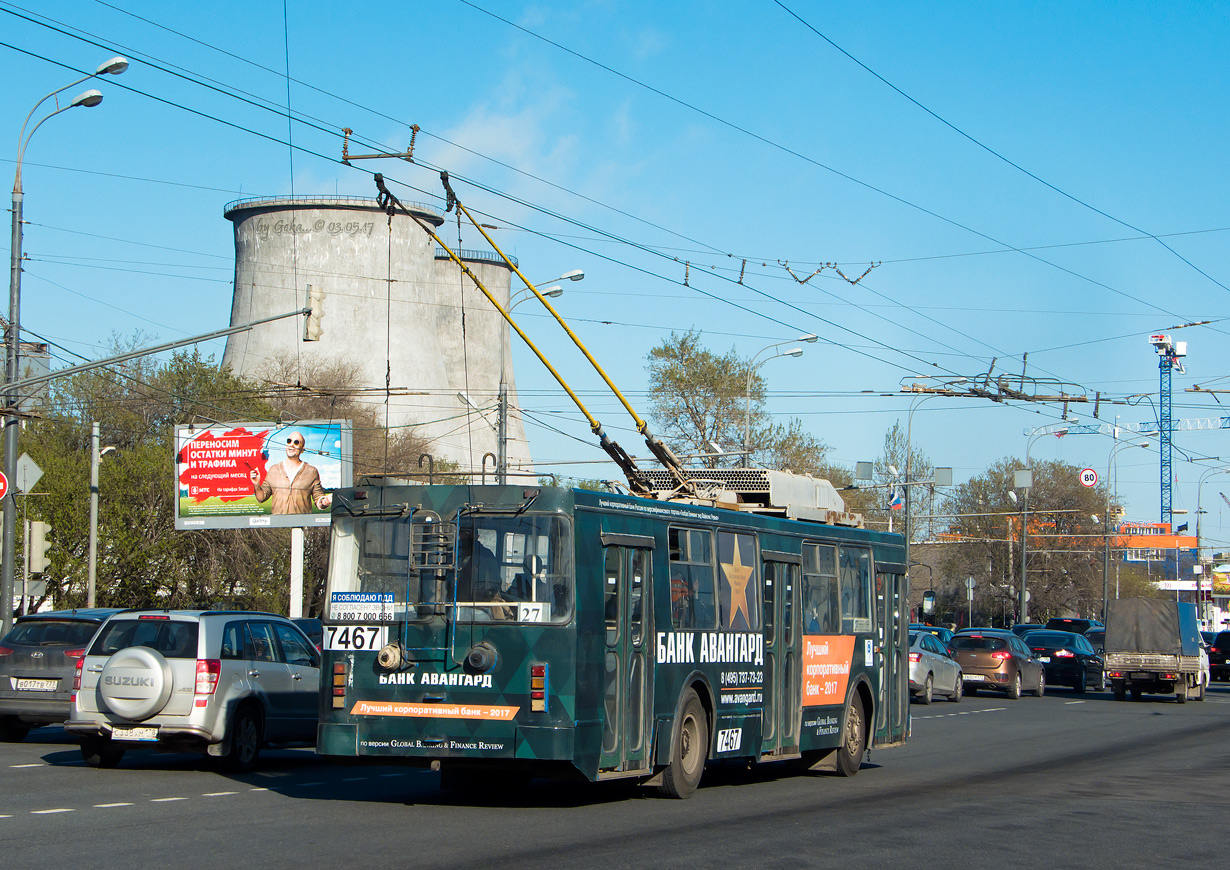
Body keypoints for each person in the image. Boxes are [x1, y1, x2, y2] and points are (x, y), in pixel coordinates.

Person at [249, 430, 332, 514]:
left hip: (302, 524)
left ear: (302, 449)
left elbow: (318, 499)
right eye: (289, 441)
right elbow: (261, 498)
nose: (291, 444)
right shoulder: (273, 469)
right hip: (278, 525)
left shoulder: (311, 471)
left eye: (296, 442)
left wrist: (326, 501)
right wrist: (256, 484)